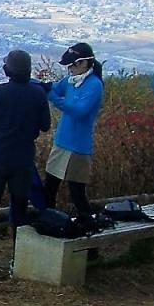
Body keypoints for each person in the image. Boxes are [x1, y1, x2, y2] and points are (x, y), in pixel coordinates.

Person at [0, 49, 51, 278]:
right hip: (23, 159)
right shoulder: (37, 94)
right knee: (19, 212)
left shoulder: (0, 92)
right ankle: (16, 260)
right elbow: (45, 125)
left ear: (8, 70)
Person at [41, 42, 104, 228]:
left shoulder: (94, 85)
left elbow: (79, 111)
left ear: (84, 63)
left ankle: (89, 229)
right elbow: (55, 87)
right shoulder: (71, 81)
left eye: (73, 64)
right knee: (49, 188)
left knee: (77, 192)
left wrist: (53, 97)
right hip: (61, 142)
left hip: (78, 147)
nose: (69, 68)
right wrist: (42, 86)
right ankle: (49, 224)